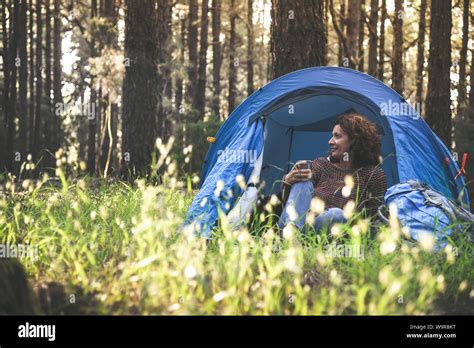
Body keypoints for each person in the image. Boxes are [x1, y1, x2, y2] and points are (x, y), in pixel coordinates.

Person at [278, 111, 387, 233]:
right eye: (332, 136)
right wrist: (287, 182)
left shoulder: (373, 175)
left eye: (337, 136)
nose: (330, 141)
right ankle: (292, 235)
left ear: (355, 140)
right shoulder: (321, 165)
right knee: (303, 178)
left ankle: (296, 239)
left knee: (337, 214)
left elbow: (373, 221)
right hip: (294, 225)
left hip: (327, 232)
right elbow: (291, 206)